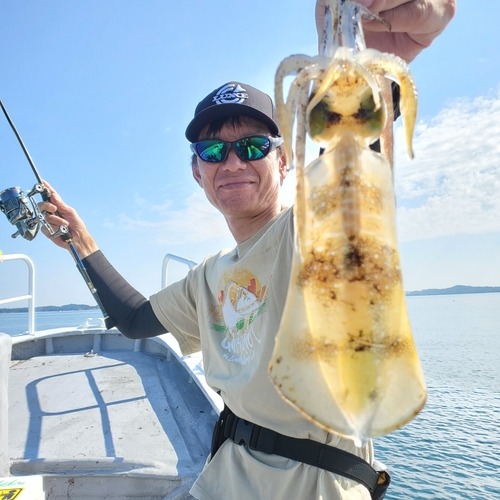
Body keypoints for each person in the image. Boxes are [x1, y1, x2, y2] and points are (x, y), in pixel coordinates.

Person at [40, 1, 455, 498]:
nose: (233, 161)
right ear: (198, 173)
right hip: (222, 478)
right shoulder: (210, 275)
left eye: (254, 146)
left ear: (283, 163)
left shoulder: (308, 234)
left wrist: (365, 70)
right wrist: (79, 240)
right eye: (214, 151)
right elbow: (134, 320)